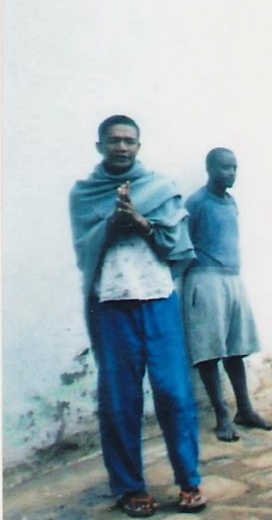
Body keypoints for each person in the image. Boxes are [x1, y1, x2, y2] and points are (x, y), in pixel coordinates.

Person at [69, 115, 205, 517]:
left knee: (175, 393)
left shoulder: (160, 188)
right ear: (99, 146)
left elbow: (178, 245)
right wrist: (112, 222)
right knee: (119, 399)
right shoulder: (84, 194)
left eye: (129, 141)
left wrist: (143, 222)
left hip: (157, 299)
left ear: (139, 146)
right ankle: (130, 487)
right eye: (114, 141)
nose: (122, 147)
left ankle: (189, 481)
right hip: (110, 303)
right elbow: (84, 250)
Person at [183, 148, 272, 442]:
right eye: (224, 168)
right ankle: (221, 415)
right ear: (209, 169)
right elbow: (183, 244)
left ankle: (244, 409)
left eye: (234, 167)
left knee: (236, 349)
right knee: (210, 351)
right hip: (206, 281)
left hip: (233, 280)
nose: (231, 173)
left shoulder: (231, 202)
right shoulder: (197, 203)